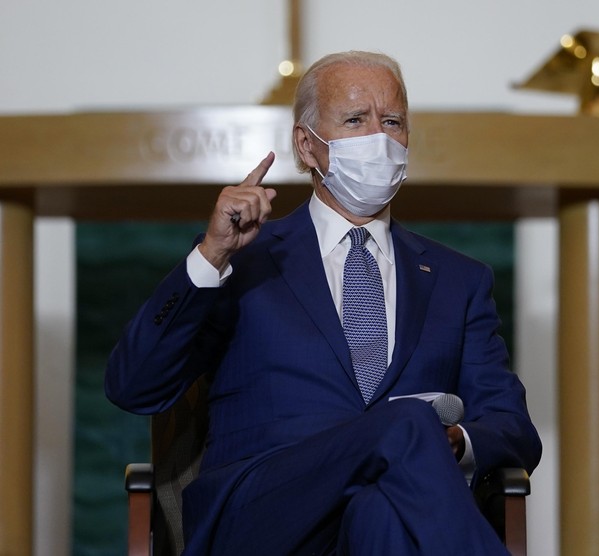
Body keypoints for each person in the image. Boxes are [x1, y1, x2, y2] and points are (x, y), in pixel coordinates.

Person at [105, 50, 541, 555]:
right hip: (262, 516)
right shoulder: (244, 259)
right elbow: (132, 386)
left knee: (382, 506)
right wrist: (211, 256)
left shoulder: (458, 280)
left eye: (393, 121)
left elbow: (514, 428)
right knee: (408, 422)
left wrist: (457, 442)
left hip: (387, 517)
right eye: (356, 120)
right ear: (307, 146)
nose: (379, 136)